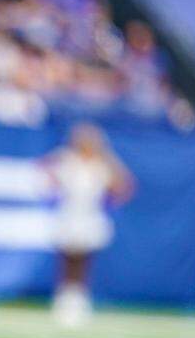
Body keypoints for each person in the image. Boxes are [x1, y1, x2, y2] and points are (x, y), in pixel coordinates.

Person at [44, 123, 135, 325]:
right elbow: (46, 172)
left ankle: (79, 300)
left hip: (90, 216)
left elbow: (124, 185)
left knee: (84, 260)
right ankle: (64, 300)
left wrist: (107, 157)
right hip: (69, 214)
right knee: (67, 258)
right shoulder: (67, 160)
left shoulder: (102, 165)